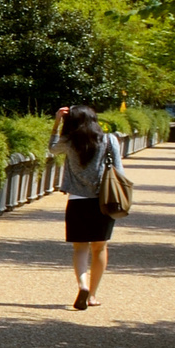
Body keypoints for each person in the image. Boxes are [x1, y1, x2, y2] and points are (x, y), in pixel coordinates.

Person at [57, 105, 123, 309]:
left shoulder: (69, 142)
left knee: (80, 248)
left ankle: (82, 285)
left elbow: (51, 148)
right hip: (102, 200)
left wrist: (57, 122)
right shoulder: (109, 139)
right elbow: (119, 170)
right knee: (100, 246)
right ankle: (93, 294)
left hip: (77, 199)